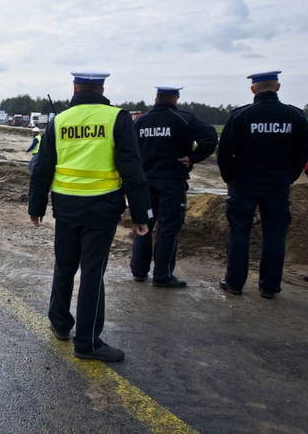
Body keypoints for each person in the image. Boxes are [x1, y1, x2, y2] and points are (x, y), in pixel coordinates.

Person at [29, 70, 151, 362]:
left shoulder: (60, 121)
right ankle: (87, 342)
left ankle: (60, 324)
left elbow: (43, 166)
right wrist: (140, 213)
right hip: (101, 209)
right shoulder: (117, 118)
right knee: (92, 274)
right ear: (102, 88)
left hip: (66, 208)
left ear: (75, 87)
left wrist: (36, 207)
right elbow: (132, 169)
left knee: (65, 266)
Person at [217, 71, 308, 298]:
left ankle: (235, 282)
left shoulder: (241, 116)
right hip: (278, 184)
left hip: (244, 183)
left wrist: (231, 178)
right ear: (277, 87)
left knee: (239, 233)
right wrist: (290, 176)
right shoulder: (295, 116)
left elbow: (225, 152)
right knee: (275, 234)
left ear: (252, 90)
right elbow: (302, 153)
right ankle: (269, 286)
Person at [130, 86, 218, 287]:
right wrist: (193, 157)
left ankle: (139, 271)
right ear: (176, 99)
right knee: (168, 229)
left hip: (145, 183)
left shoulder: (140, 121)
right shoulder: (184, 119)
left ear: (156, 98)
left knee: (143, 225)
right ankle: (162, 276)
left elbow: (129, 149)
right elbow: (210, 137)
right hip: (172, 183)